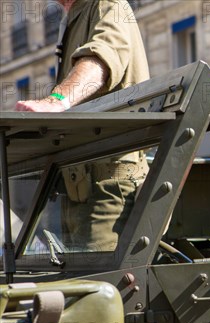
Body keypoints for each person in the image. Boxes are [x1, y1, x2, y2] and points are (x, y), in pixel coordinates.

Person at [15, 0, 150, 251]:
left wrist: (56, 101)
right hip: (75, 186)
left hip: (107, 187)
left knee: (96, 285)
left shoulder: (108, 5)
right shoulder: (74, 16)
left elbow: (102, 58)